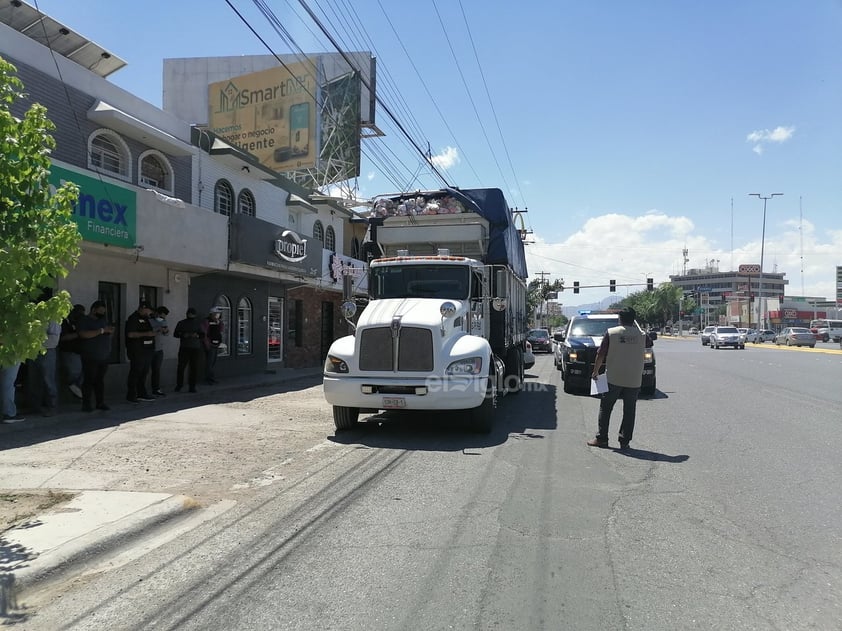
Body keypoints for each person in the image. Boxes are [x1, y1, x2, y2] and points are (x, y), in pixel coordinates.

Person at [587, 307, 652, 450]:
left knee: (606, 408)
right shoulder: (642, 335)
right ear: (634, 319)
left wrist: (595, 372)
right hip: (634, 379)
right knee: (629, 411)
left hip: (614, 377)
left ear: (620, 319)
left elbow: (601, 354)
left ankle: (602, 438)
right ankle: (625, 441)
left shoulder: (611, 333)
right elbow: (649, 344)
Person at [78, 300, 115, 412]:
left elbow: (107, 333)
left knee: (100, 381)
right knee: (89, 380)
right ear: (93, 310)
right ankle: (86, 404)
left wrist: (109, 331)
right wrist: (102, 331)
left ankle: (100, 402)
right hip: (90, 356)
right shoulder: (84, 320)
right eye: (100, 311)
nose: (102, 314)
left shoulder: (102, 320)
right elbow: (83, 334)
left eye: (103, 312)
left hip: (103, 356)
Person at [27, 318, 62, 416]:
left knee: (49, 379)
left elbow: (54, 340)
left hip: (47, 351)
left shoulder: (52, 319)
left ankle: (52, 407)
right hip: (33, 351)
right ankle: (35, 407)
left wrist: (37, 340)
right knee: (34, 379)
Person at [125, 301, 156, 403]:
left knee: (144, 373)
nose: (149, 312)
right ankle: (131, 395)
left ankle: (142, 393)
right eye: (148, 310)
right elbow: (130, 334)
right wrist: (146, 333)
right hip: (137, 350)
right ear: (142, 308)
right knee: (135, 372)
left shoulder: (146, 319)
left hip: (147, 350)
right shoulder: (133, 318)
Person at [173, 307, 204, 393]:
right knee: (181, 367)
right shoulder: (181, 323)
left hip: (195, 348)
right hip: (185, 347)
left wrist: (196, 335)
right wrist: (184, 335)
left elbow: (202, 335)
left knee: (193, 368)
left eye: (192, 313)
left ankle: (192, 386)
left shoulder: (198, 324)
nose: (190, 315)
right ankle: (179, 385)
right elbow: (175, 334)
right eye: (189, 313)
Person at [59, 304, 86, 399]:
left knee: (83, 373)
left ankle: (76, 390)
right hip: (69, 351)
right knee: (74, 372)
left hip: (80, 351)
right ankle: (71, 385)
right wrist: (79, 334)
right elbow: (63, 338)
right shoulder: (64, 323)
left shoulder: (79, 322)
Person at [149, 306, 170, 396]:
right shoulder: (150, 321)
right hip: (149, 349)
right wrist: (158, 329)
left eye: (164, 316)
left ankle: (156, 388)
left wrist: (165, 331)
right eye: (162, 315)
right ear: (157, 313)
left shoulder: (163, 321)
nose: (163, 317)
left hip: (159, 349)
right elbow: (148, 331)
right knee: (144, 370)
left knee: (156, 370)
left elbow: (167, 333)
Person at [201, 307, 224, 384]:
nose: (218, 315)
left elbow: (221, 330)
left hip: (216, 344)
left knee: (213, 362)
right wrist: (207, 344)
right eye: (217, 314)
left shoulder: (218, 321)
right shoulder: (207, 321)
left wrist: (219, 322)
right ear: (212, 314)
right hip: (210, 344)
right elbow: (204, 333)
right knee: (209, 362)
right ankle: (208, 378)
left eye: (219, 314)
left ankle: (211, 377)